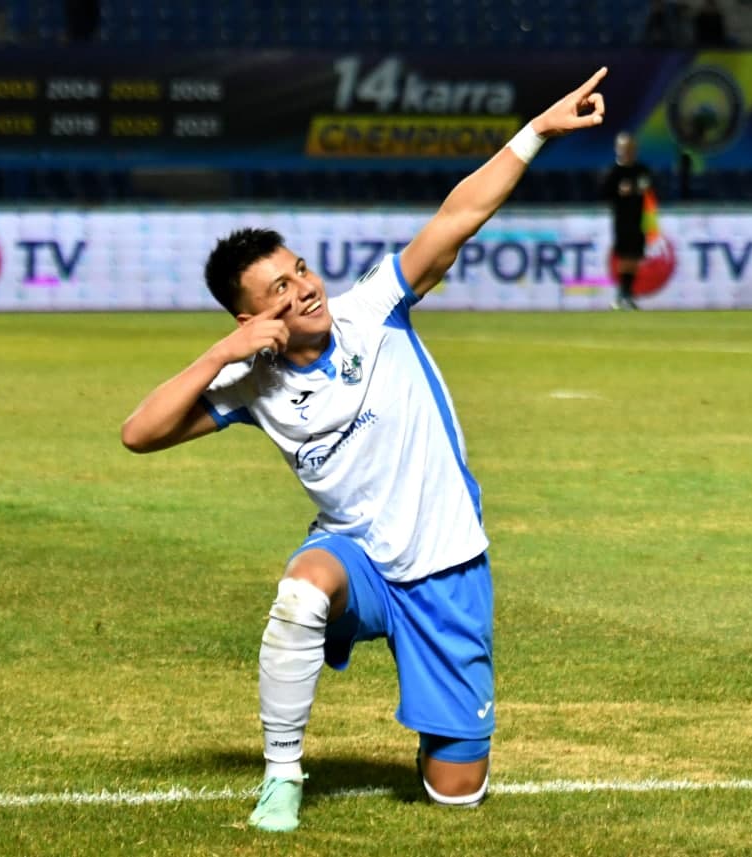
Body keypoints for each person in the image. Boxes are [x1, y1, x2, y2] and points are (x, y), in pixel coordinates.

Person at [120, 68, 608, 833]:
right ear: (251, 318)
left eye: (300, 270)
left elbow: (458, 215)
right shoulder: (250, 384)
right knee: (301, 590)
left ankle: (442, 729)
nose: (303, 289)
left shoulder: (374, 307)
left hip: (446, 564)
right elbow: (139, 433)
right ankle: (282, 776)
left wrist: (537, 131)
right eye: (279, 290)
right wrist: (221, 355)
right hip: (359, 562)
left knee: (455, 793)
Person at [601, 131, 654, 310]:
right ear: (618, 150)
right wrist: (619, 192)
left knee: (635, 257)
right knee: (624, 257)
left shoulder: (642, 170)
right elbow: (604, 193)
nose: (628, 152)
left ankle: (627, 293)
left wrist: (644, 191)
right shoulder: (614, 172)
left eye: (631, 148)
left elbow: (652, 190)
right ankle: (622, 294)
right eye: (625, 148)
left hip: (639, 219)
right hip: (622, 220)